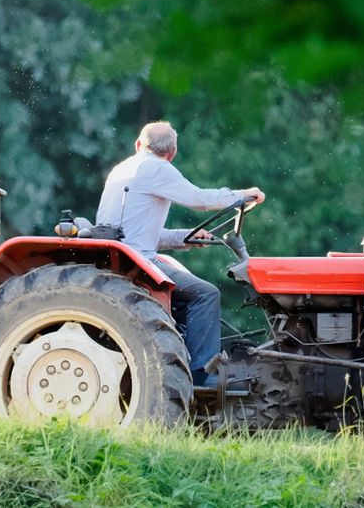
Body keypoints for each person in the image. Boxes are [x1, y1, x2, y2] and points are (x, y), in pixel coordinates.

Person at [96, 121, 264, 387]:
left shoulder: (121, 169)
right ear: (172, 153)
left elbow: (135, 233)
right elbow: (200, 200)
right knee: (206, 294)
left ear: (138, 144)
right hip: (137, 260)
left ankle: (184, 360)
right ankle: (202, 375)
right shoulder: (156, 167)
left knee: (190, 294)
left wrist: (184, 237)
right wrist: (243, 195)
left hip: (123, 254)